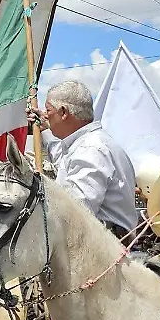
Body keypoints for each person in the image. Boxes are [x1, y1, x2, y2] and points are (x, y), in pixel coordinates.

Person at [29, 81, 139, 238]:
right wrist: (45, 129)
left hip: (103, 255)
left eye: (48, 110)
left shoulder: (91, 149)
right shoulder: (88, 144)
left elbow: (75, 212)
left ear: (63, 112)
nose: (46, 115)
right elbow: (62, 158)